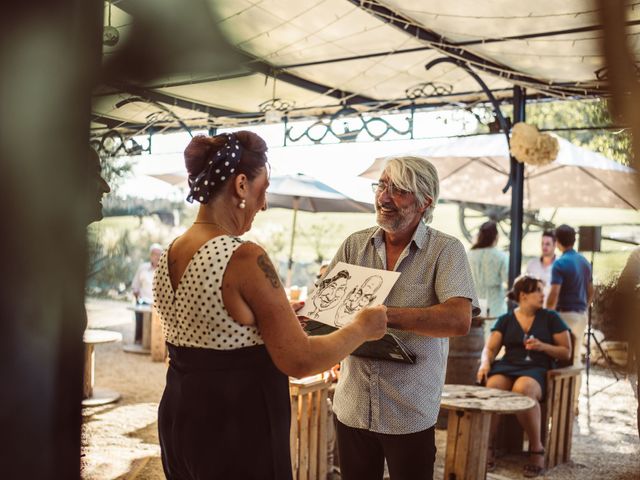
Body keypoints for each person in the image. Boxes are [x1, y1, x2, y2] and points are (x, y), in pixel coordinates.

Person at [152, 131, 388, 480]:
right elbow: (300, 360)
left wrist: (272, 320)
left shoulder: (172, 249)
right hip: (236, 426)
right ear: (242, 185)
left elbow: (213, 325)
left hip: (180, 414)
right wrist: (361, 328)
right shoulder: (244, 256)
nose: (264, 204)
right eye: (264, 188)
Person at [324, 155, 479, 480]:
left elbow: (459, 319)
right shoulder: (354, 245)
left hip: (409, 409)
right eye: (382, 185)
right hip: (351, 404)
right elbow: (327, 310)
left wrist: (383, 316)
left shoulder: (446, 250)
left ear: (425, 202)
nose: (384, 197)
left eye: (399, 190)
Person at [477, 274, 571, 478]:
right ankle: (489, 446)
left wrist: (543, 346)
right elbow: (490, 349)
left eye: (542, 290)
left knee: (523, 390)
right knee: (492, 388)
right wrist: (485, 363)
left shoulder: (550, 318)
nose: (542, 294)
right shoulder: (506, 319)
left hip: (537, 367)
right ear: (523, 295)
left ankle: (536, 449)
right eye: (537, 290)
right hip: (509, 365)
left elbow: (566, 351)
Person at [546, 224, 593, 366]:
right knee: (576, 357)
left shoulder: (559, 263)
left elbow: (554, 293)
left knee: (562, 359)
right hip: (581, 315)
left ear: (557, 241)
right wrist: (584, 307)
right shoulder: (584, 261)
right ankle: (575, 388)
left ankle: (561, 389)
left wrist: (547, 315)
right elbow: (591, 290)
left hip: (564, 316)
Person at [468, 221, 509, 337]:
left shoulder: (469, 255)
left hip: (475, 303)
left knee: (476, 341)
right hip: (495, 304)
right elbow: (509, 280)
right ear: (496, 237)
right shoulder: (501, 256)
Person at [131, 243, 164, 344]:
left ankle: (155, 344)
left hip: (158, 304)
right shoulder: (143, 268)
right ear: (151, 255)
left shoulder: (164, 270)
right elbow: (135, 285)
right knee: (140, 315)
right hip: (143, 301)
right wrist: (137, 295)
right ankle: (139, 340)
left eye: (159, 254)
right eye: (155, 254)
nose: (157, 257)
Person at [525, 230, 557, 303]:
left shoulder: (560, 265)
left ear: (555, 245)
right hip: (534, 308)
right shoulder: (532, 264)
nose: (544, 246)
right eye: (542, 243)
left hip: (553, 309)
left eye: (547, 244)